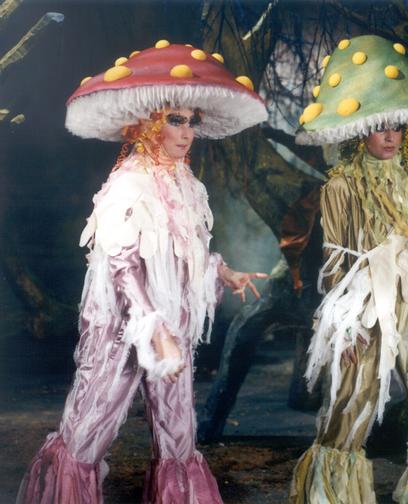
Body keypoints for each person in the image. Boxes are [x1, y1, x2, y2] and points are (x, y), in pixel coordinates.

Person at [18, 41, 268, 503]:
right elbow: (122, 264)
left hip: (173, 321)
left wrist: (222, 272)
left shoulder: (186, 183)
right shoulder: (129, 184)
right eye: (175, 120)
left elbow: (184, 249)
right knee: (89, 427)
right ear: (149, 124)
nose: (187, 132)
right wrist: (154, 329)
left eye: (192, 121)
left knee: (178, 433)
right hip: (124, 326)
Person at [289, 35, 408, 503]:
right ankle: (333, 493)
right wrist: (344, 324)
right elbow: (336, 260)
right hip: (367, 306)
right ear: (362, 129)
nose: (391, 135)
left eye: (397, 125)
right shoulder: (341, 186)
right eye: (380, 127)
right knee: (353, 401)